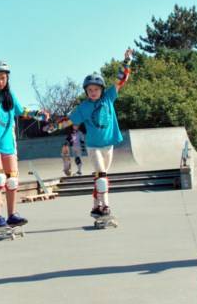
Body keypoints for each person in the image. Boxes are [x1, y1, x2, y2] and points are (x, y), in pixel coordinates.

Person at [43, 49, 134, 217]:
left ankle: (95, 207)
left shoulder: (108, 97)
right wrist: (53, 127)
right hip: (94, 147)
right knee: (101, 176)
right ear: (86, 91)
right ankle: (105, 206)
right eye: (90, 89)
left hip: (109, 145)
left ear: (101, 89)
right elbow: (69, 120)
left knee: (102, 178)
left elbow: (119, 80)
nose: (93, 92)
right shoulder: (83, 107)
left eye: (96, 89)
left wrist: (126, 62)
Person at [0, 60, 49, 231]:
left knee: (11, 181)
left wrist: (36, 114)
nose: (0, 81)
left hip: (8, 145)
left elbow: (22, 111)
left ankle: (11, 216)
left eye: (3, 78)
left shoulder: (9, 96)